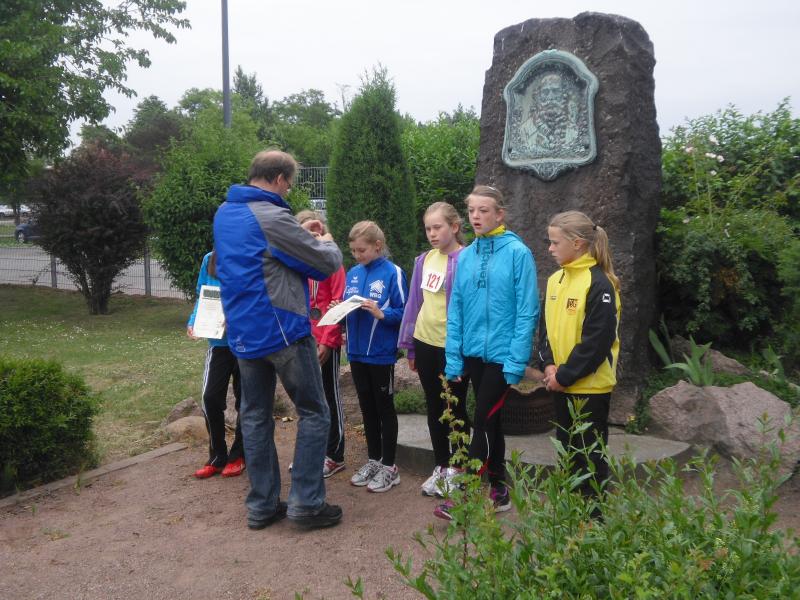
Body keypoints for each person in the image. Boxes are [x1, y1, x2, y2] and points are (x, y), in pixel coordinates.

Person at [213, 150, 344, 530]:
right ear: (280, 179)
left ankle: (262, 506)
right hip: (283, 330)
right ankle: (307, 503)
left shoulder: (225, 213)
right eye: (289, 184)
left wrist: (299, 235)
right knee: (314, 412)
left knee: (254, 416)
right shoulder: (271, 215)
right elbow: (324, 263)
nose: (288, 191)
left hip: (243, 332)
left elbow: (240, 260)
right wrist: (327, 241)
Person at [435, 185, 539, 520]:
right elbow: (456, 308)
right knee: (490, 422)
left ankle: (464, 497)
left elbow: (527, 310)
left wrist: (516, 360)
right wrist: (454, 357)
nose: (476, 216)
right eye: (471, 210)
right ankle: (498, 488)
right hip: (473, 354)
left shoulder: (518, 253)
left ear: (499, 214)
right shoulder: (466, 256)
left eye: (483, 210)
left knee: (481, 421)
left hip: (501, 357)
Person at [538, 210, 621, 505]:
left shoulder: (600, 284)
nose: (550, 249)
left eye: (555, 242)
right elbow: (545, 330)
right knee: (568, 455)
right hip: (560, 384)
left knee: (590, 459)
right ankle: (572, 517)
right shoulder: (555, 280)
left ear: (577, 243)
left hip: (589, 389)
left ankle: (592, 520)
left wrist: (564, 376)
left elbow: (597, 343)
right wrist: (548, 366)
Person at [398, 202, 470, 498]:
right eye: (428, 228)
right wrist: (410, 346)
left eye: (437, 227)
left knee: (456, 407)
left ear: (454, 227)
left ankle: (460, 468)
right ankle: (441, 465)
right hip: (425, 342)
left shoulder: (467, 259)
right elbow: (414, 303)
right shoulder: (424, 260)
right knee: (434, 406)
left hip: (453, 347)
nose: (432, 233)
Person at [338, 221, 408, 493]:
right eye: (353, 251)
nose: (357, 256)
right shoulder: (353, 273)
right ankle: (374, 461)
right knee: (367, 408)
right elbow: (348, 306)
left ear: (377, 246)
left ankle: (390, 467)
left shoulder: (393, 273)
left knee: (384, 408)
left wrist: (382, 314)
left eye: (362, 250)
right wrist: (338, 310)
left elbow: (405, 312)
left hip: (380, 353)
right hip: (356, 353)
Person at [296, 209, 347, 478]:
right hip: (302, 339)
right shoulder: (296, 262)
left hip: (325, 340)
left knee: (329, 395)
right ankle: (311, 452)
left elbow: (337, 304)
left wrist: (327, 341)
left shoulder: (332, 263)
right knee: (306, 399)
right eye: (307, 233)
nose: (314, 237)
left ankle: (335, 454)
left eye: (317, 233)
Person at [187, 250, 246, 479]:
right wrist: (194, 321)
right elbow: (203, 295)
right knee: (210, 397)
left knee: (246, 401)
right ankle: (217, 456)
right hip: (218, 343)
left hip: (246, 344)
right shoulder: (209, 259)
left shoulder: (249, 255)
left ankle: (239, 455)